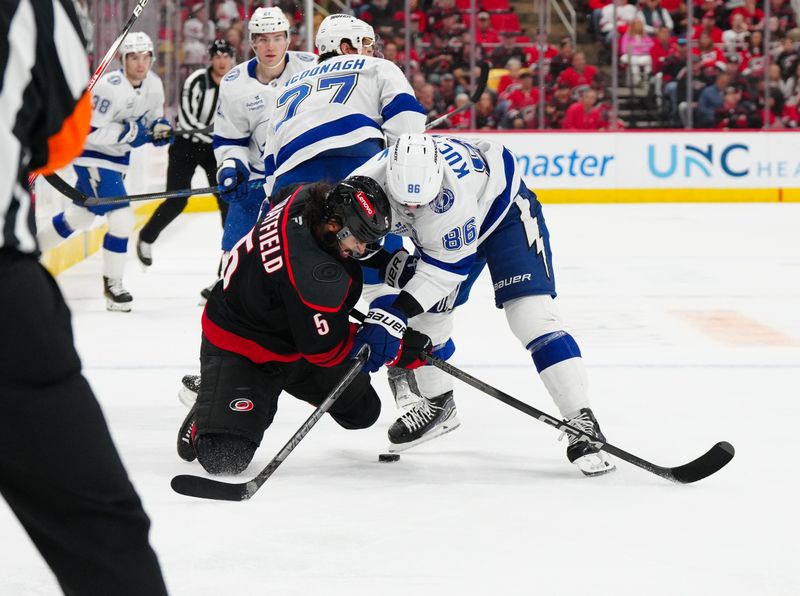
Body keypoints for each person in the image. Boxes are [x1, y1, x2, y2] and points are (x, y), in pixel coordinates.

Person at [1, 2, 167, 593]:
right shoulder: (37, 15)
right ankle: (113, 280)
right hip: (9, 299)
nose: (141, 61)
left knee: (82, 220)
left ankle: (69, 254)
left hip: (107, 166)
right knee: (100, 533)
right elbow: (57, 141)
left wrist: (153, 131)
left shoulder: (150, 90)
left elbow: (141, 129)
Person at [349, 134, 616, 477]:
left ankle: (581, 417)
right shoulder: (367, 179)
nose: (412, 210)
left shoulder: (451, 198)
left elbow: (445, 271)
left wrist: (396, 313)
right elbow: (359, 235)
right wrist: (380, 260)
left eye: (420, 204)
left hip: (503, 214)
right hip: (442, 238)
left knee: (531, 315)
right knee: (428, 321)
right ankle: (438, 405)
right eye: (405, 203)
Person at [175, 176, 419, 475]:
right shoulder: (316, 274)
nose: (364, 248)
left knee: (363, 412)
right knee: (225, 458)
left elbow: (280, 195)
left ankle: (243, 393)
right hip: (243, 347)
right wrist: (394, 348)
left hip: (291, 327)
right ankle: (212, 399)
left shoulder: (306, 197)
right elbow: (324, 351)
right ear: (333, 226)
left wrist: (383, 262)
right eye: (361, 239)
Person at [38, 31, 173, 312]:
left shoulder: (155, 85)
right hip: (93, 158)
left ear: (151, 58)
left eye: (144, 57)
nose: (139, 63)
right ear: (123, 60)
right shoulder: (109, 87)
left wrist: (160, 129)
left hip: (116, 161)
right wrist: (131, 132)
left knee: (80, 216)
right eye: (133, 57)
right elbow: (87, 134)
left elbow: (153, 119)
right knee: (122, 219)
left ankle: (28, 252)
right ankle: (113, 286)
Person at [211, 6, 316, 297]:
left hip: (301, 181)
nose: (270, 46)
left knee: (302, 253)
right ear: (252, 42)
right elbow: (229, 139)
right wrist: (232, 166)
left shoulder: (312, 69)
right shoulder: (235, 83)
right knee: (234, 251)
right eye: (263, 38)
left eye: (277, 38)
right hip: (256, 179)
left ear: (288, 39)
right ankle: (233, 307)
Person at [262, 13, 426, 197]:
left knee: (299, 224)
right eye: (365, 44)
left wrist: (273, 195)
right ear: (346, 47)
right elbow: (407, 118)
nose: (371, 50)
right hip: (355, 154)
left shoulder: (290, 83)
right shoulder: (378, 66)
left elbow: (270, 151)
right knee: (368, 223)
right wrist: (397, 167)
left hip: (291, 168)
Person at [137, 39, 236, 268]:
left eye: (226, 56)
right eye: (217, 56)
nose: (222, 61)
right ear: (211, 58)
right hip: (186, 146)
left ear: (232, 58)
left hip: (214, 149)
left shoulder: (236, 82)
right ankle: (146, 238)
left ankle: (230, 254)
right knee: (177, 200)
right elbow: (188, 117)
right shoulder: (196, 81)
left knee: (226, 199)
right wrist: (216, 136)